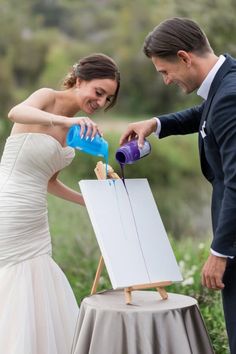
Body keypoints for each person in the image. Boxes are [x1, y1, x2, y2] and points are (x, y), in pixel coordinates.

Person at [120, 17, 236, 354]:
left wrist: (221, 251)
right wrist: (156, 123)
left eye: (164, 71)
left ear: (184, 57)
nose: (166, 79)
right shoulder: (225, 83)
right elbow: (205, 115)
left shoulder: (229, 95)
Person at [0, 53, 120, 354]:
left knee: (36, 287)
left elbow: (49, 182)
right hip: (9, 205)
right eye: (98, 92)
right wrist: (66, 119)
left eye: (108, 98)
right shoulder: (47, 98)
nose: (101, 102)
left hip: (36, 217)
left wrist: (90, 201)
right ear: (79, 80)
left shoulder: (74, 134)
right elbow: (16, 112)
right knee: (12, 280)